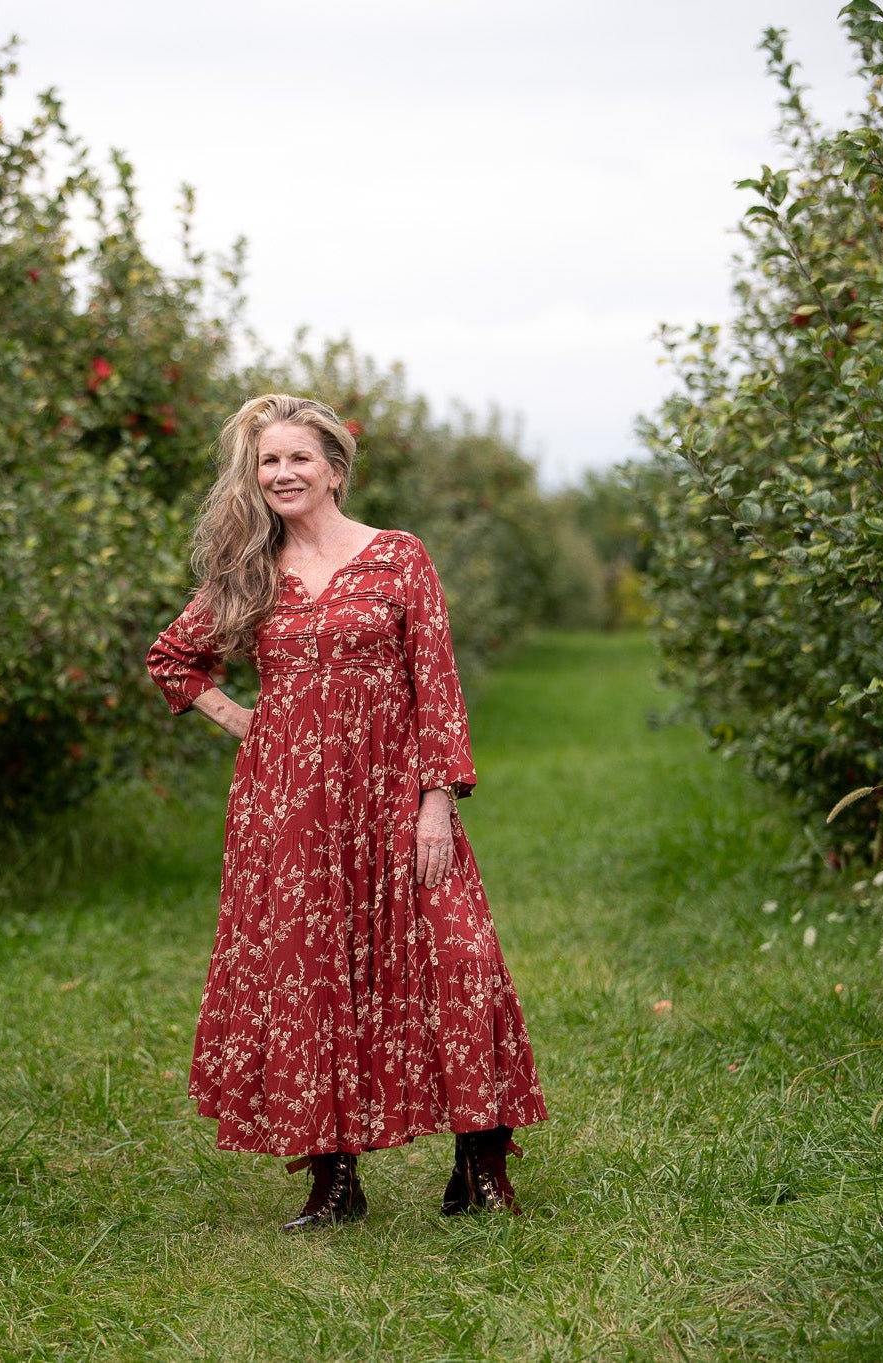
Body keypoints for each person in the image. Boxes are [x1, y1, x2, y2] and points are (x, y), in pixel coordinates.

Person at [146, 393, 547, 1231]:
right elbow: (174, 659)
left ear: (334, 467)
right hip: (287, 808)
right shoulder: (250, 571)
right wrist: (247, 721)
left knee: (457, 957)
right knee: (306, 977)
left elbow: (435, 683)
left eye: (297, 458)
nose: (282, 473)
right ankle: (333, 1184)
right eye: (267, 462)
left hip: (396, 795)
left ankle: (478, 1166)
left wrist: (436, 802)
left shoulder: (398, 557)